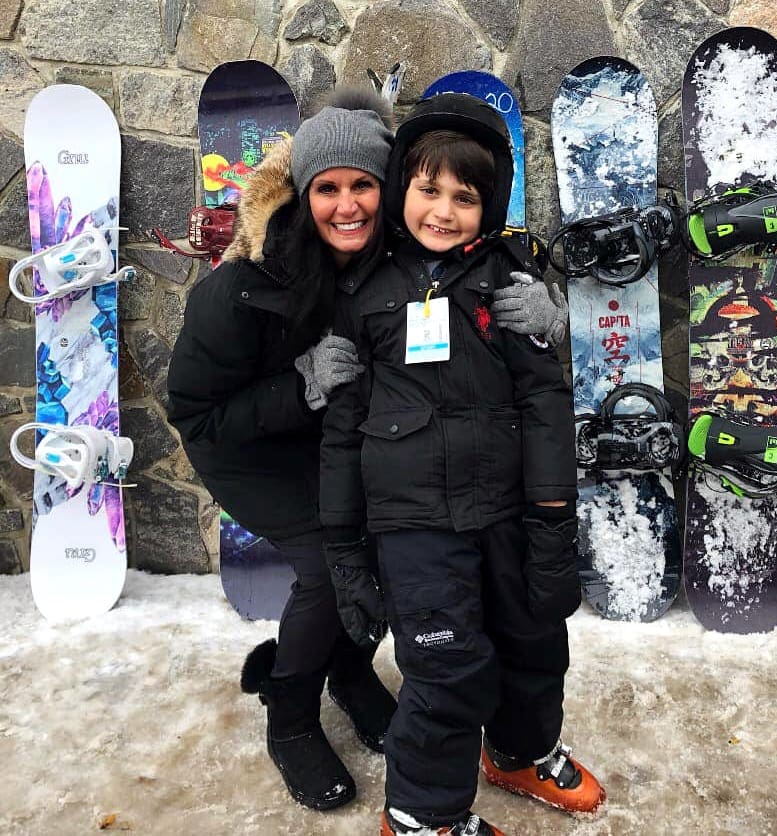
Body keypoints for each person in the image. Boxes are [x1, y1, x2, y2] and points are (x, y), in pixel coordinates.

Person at [166, 88, 568, 814]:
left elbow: (473, 287)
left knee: (390, 548)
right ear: (303, 193)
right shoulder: (245, 286)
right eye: (328, 189)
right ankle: (290, 718)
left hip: (347, 430)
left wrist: (547, 315)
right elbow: (195, 411)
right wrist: (302, 386)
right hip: (250, 444)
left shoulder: (395, 248)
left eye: (362, 186)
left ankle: (350, 676)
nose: (347, 205)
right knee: (331, 564)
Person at [317, 93, 606, 836]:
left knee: (536, 640)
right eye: (428, 190)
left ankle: (518, 752)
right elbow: (344, 436)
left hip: (508, 509)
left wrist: (551, 519)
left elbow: (546, 407)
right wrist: (345, 550)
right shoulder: (365, 290)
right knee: (448, 671)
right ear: (401, 189)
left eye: (465, 198)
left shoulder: (513, 284)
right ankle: (424, 817)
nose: (443, 211)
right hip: (415, 525)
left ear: (492, 204)